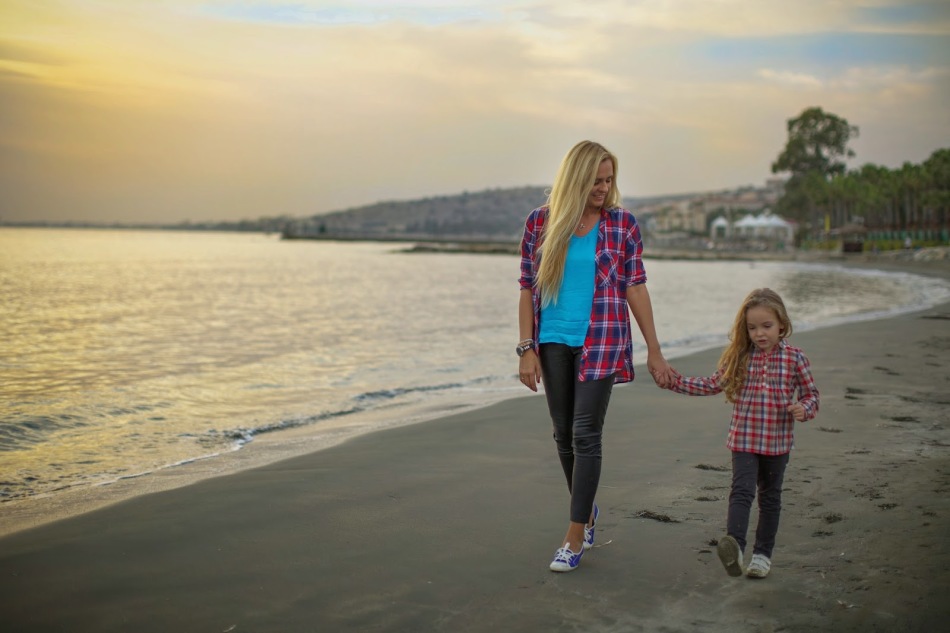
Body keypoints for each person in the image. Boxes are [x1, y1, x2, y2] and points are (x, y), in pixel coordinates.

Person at [517, 140, 674, 573]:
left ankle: (574, 535)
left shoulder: (622, 224)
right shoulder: (540, 223)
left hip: (602, 339)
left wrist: (654, 350)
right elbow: (528, 287)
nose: (604, 188)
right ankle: (586, 511)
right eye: (596, 180)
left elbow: (635, 286)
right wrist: (526, 348)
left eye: (609, 180)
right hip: (551, 341)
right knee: (563, 434)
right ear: (576, 179)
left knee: (586, 434)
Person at [664, 288, 819, 579]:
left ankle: (762, 555)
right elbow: (711, 384)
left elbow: (812, 395)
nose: (760, 333)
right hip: (744, 439)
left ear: (782, 324)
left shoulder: (795, 358)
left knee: (770, 497)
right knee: (742, 491)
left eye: (766, 326)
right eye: (752, 328)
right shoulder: (740, 358)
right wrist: (675, 382)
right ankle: (735, 547)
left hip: (778, 442)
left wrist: (803, 408)